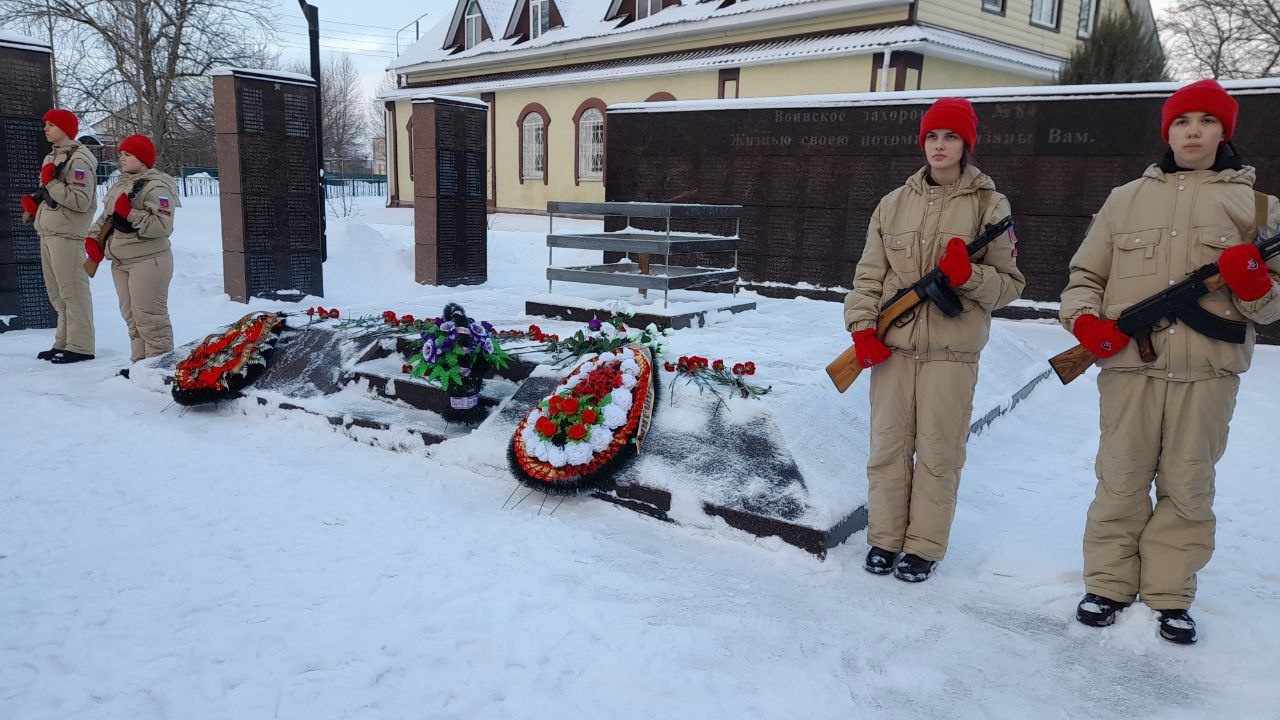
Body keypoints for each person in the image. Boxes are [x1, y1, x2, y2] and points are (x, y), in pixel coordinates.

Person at [1060, 79, 1280, 645]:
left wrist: (1254, 283)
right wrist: (1086, 322)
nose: (1193, 131)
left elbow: (1273, 304)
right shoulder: (1124, 198)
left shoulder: (1258, 208)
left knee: (1188, 486)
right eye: (1184, 121)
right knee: (1121, 479)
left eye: (1207, 122)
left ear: (1223, 133)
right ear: (1169, 131)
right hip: (1130, 367)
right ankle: (1107, 585)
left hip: (1208, 372)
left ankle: (1169, 595)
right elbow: (1086, 277)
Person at [843, 98, 1025, 582]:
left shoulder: (991, 206)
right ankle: (884, 539)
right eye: (932, 137)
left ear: (967, 143)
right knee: (887, 450)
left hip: (951, 355)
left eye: (950, 137)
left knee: (939, 454)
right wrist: (862, 327)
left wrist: (969, 278)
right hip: (892, 351)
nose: (939, 146)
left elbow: (1010, 285)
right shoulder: (892, 204)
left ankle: (923, 547)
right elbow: (868, 277)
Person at [85, 134, 181, 366]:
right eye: (121, 154)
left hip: (149, 261)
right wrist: (92, 239)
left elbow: (162, 226)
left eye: (128, 154)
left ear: (143, 158)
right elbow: (106, 217)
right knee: (132, 318)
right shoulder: (122, 183)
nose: (122, 158)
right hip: (121, 260)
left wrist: (130, 214)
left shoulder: (158, 185)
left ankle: (159, 368)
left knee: (150, 318)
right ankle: (139, 364)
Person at [21, 109, 98, 363]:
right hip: (49, 232)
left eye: (52, 124)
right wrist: (37, 203)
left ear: (66, 128)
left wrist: (51, 184)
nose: (46, 128)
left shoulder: (79, 160)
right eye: (45, 124)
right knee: (57, 293)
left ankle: (81, 346)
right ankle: (64, 342)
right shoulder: (52, 157)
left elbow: (80, 200)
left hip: (66, 234)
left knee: (72, 291)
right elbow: (52, 191)